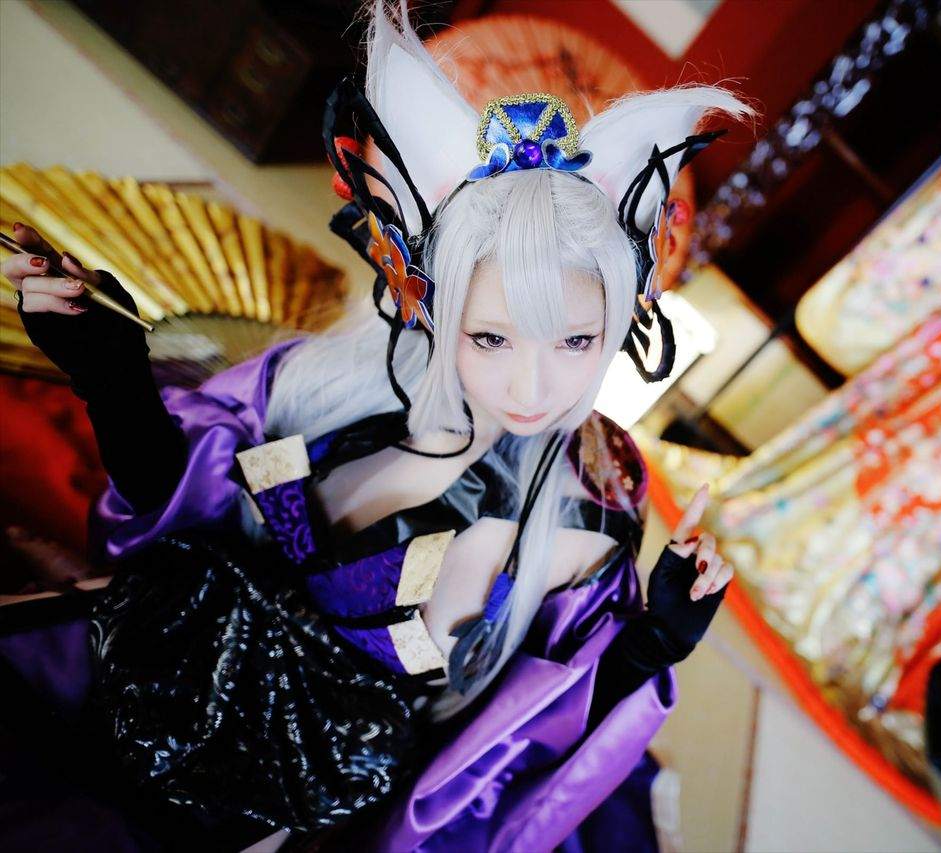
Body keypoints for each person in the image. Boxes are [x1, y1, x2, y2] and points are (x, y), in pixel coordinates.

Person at [1, 1, 750, 848]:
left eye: (577, 340)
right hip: (120, 672)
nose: (533, 385)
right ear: (434, 305)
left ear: (618, 328)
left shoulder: (592, 508)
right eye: (492, 337)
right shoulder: (320, 384)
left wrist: (646, 649)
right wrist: (112, 376)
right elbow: (176, 516)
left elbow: (502, 758)